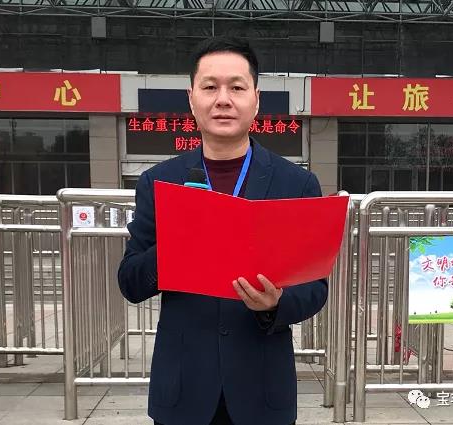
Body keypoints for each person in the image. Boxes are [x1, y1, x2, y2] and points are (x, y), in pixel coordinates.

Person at [118, 37, 328, 425]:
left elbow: (316, 289)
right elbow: (131, 282)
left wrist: (276, 303)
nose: (223, 100)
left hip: (262, 392)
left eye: (237, 87)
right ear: (192, 98)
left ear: (256, 100)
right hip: (182, 392)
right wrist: (176, 246)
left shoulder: (296, 184)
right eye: (210, 87)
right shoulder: (160, 182)